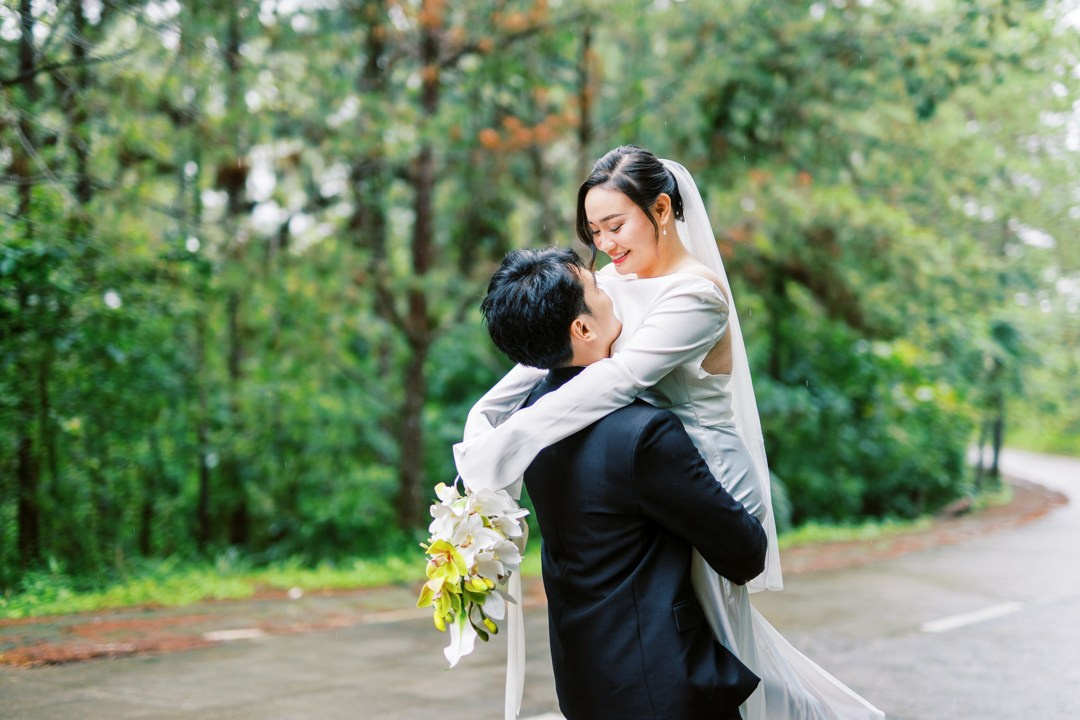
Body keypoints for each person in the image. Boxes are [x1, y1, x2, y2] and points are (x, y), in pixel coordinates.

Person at [456, 145, 885, 720]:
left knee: (720, 646)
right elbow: (540, 360)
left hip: (704, 475)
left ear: (660, 210)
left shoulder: (696, 294)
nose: (604, 244)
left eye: (615, 225)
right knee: (673, 634)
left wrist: (512, 444)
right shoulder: (607, 280)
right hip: (645, 476)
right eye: (593, 230)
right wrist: (481, 431)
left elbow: (619, 377)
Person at [481, 246, 768, 720]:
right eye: (598, 289)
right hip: (663, 686)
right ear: (583, 328)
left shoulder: (525, 417)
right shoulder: (641, 435)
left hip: (583, 679)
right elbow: (743, 553)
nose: (612, 291)